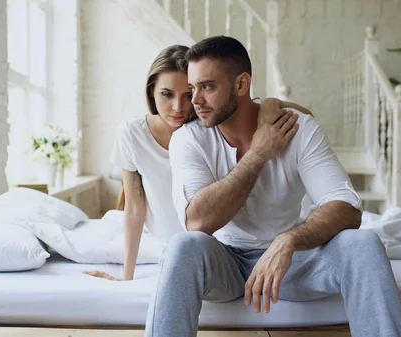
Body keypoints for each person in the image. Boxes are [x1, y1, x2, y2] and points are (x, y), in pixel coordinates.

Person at [144, 36, 401, 337]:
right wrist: (258, 155)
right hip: (226, 264)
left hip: (293, 264)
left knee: (363, 244)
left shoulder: (297, 128)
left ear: (241, 84)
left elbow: (347, 208)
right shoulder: (189, 139)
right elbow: (198, 222)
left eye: (208, 86)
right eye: (193, 88)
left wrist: (288, 242)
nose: (195, 101)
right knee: (182, 245)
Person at [84, 45, 311, 281]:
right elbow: (133, 208)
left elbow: (306, 116)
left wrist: (270, 104)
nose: (178, 108)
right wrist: (126, 277)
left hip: (218, 242)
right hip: (168, 241)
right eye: (166, 94)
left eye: (188, 95)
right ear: (151, 91)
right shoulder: (132, 134)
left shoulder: (212, 127)